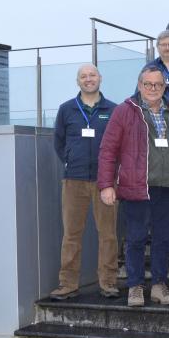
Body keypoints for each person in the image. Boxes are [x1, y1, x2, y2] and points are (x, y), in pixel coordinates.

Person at [98, 64, 169, 308]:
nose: (153, 88)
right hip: (137, 187)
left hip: (168, 188)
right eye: (147, 84)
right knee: (136, 239)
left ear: (164, 86)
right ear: (139, 85)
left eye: (158, 84)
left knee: (162, 239)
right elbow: (108, 150)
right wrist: (106, 184)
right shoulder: (124, 111)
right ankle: (135, 287)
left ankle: (159, 285)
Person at [51, 64, 120, 300]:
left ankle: (109, 282)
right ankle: (67, 284)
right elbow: (59, 143)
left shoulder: (113, 110)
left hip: (105, 182)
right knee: (71, 234)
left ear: (100, 78)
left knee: (108, 234)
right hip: (74, 180)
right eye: (84, 76)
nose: (88, 79)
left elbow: (119, 144)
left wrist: (111, 176)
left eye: (92, 75)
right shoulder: (66, 109)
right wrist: (71, 161)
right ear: (77, 81)